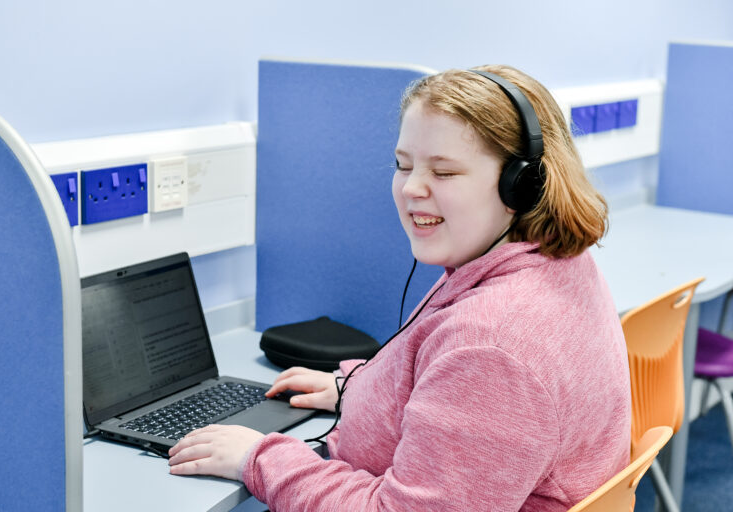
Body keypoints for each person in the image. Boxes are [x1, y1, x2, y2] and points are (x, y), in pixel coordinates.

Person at [168, 65, 631, 511]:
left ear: (523, 187)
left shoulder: (490, 347)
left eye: (444, 172)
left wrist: (261, 459)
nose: (412, 188)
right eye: (403, 165)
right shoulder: (550, 261)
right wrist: (360, 390)